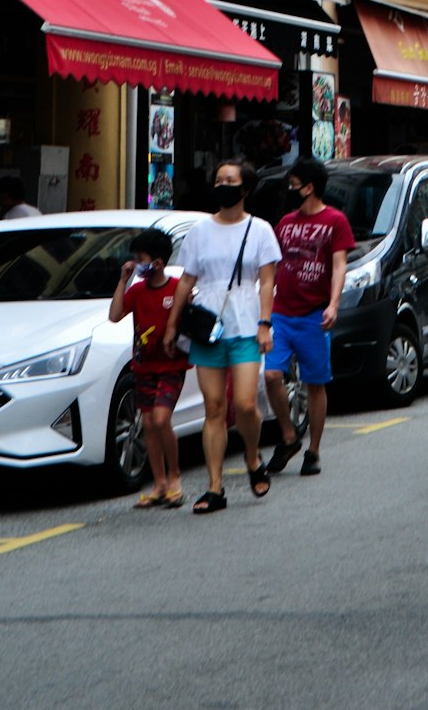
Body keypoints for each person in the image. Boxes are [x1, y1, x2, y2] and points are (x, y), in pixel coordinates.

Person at [164, 161, 280, 515]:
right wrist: (172, 326)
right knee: (213, 407)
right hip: (206, 327)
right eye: (218, 180)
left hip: (245, 324)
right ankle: (215, 488)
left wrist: (264, 323)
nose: (223, 185)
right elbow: (186, 280)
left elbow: (267, 281)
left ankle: (251, 455)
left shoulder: (260, 230)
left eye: (230, 180)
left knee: (245, 404)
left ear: (245, 189)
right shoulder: (200, 230)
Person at [264, 158, 355, 478]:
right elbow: (271, 267)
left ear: (309, 187)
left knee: (315, 384)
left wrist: (333, 304)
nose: (290, 190)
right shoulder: (285, 222)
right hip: (281, 314)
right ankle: (289, 435)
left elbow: (340, 265)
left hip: (314, 315)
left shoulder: (335, 220)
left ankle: (313, 451)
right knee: (272, 376)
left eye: (294, 184)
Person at [109, 227, 188, 507]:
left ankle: (175, 477)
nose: (135, 263)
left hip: (172, 366)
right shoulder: (138, 290)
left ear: (157, 262)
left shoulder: (177, 288)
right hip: (143, 368)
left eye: (140, 258)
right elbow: (115, 315)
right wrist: (124, 280)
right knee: (149, 426)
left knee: (161, 419)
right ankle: (159, 484)